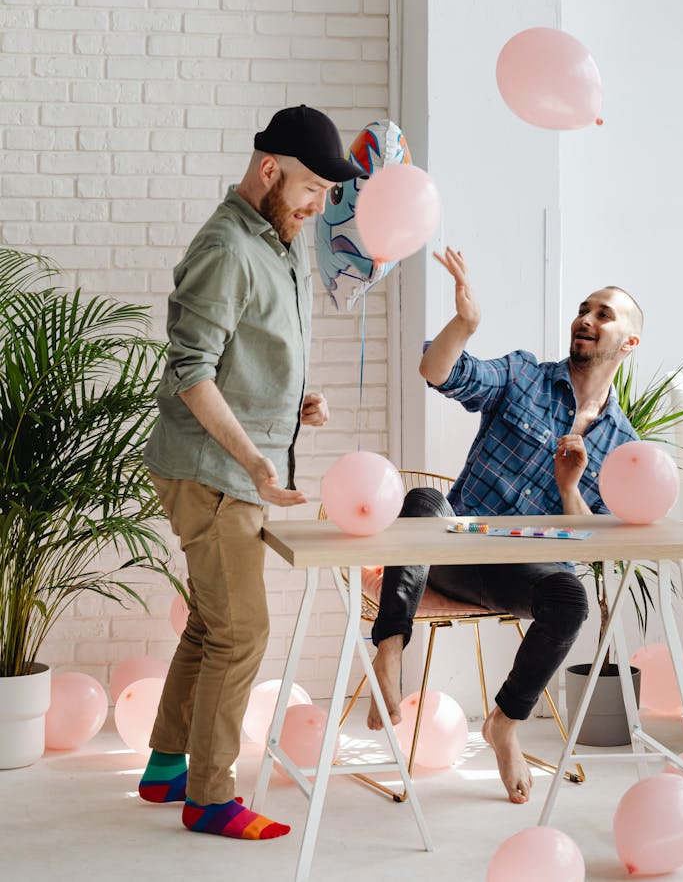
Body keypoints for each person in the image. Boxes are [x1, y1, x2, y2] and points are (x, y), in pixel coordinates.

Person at [137, 105, 364, 841]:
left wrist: (296, 402)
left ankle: (168, 764)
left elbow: (246, 355)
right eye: (311, 187)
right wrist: (260, 458)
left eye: (329, 192)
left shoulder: (282, 241)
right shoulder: (227, 246)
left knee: (212, 622)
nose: (319, 205)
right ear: (269, 169)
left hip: (237, 467)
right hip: (213, 472)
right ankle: (209, 797)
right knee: (243, 632)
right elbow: (192, 372)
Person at [368, 246, 642, 805]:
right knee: (423, 498)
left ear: (628, 343)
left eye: (604, 314)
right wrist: (466, 324)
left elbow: (595, 547)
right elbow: (438, 372)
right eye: (583, 308)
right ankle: (392, 647)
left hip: (522, 570)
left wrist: (569, 487)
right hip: (455, 546)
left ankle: (504, 724)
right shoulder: (522, 374)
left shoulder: (623, 447)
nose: (586, 318)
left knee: (571, 598)